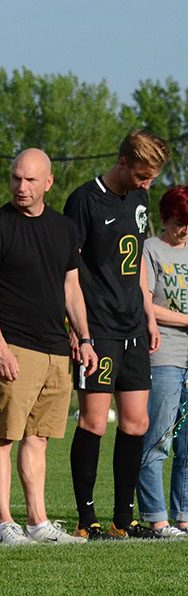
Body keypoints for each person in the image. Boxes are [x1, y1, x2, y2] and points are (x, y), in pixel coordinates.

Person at [0, 148, 97, 545]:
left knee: (38, 438)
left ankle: (38, 522)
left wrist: (86, 338)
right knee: (4, 435)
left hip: (56, 350)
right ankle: (4, 523)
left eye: (29, 180)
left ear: (48, 183)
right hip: (16, 347)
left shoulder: (64, 229)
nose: (20, 187)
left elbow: (71, 289)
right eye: (15, 178)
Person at [65, 130, 170, 540]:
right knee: (94, 422)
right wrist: (78, 330)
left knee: (136, 422)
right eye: (143, 176)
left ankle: (122, 521)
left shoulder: (140, 199)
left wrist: (149, 314)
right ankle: (85, 519)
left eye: (152, 178)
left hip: (133, 327)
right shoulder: (83, 201)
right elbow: (68, 270)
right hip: (99, 329)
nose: (148, 185)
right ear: (123, 162)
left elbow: (139, 258)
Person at [137, 184, 188, 537]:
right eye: (180, 222)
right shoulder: (150, 250)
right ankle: (157, 517)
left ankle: (183, 515)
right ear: (167, 217)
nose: (184, 229)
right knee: (158, 439)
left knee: (187, 446)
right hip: (165, 356)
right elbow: (146, 303)